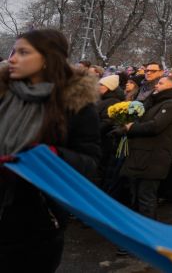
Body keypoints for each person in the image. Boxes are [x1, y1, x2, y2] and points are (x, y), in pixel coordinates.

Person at [0, 29, 101, 271]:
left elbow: (90, 164)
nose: (12, 58)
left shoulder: (74, 104)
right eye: (13, 51)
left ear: (48, 58)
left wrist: (51, 156)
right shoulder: (3, 93)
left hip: (34, 224)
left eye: (23, 52)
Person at [120, 75, 172, 220]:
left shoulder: (171, 105)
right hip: (143, 156)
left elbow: (155, 126)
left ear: (171, 87)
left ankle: (149, 235)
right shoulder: (156, 102)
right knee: (138, 195)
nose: (156, 85)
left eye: (161, 83)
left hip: (153, 158)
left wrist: (132, 127)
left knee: (146, 197)